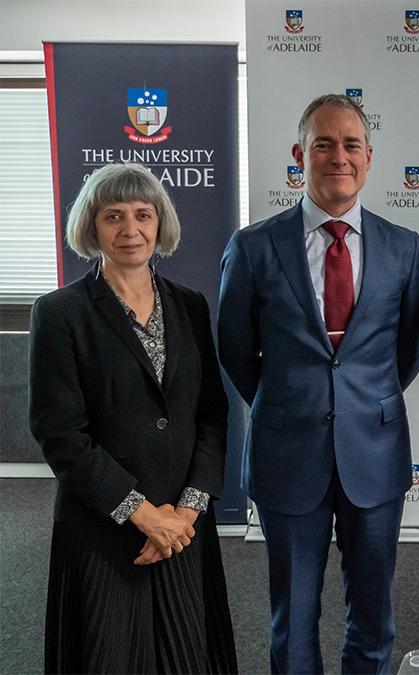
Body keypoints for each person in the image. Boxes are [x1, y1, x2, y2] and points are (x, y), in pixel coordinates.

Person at [217, 94, 419, 674]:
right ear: (299, 155)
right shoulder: (254, 247)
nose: (339, 156)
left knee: (373, 615)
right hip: (288, 453)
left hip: (375, 454)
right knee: (293, 617)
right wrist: (291, 397)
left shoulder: (403, 247)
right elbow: (235, 351)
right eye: (323, 144)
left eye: (351, 144)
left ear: (369, 157)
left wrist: (362, 400)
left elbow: (409, 349)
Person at [29, 163, 238, 673]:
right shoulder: (60, 312)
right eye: (113, 216)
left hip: (182, 528)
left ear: (160, 223)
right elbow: (60, 433)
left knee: (189, 656)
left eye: (143, 215)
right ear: (91, 227)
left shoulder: (190, 305)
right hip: (103, 528)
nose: (130, 230)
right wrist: (142, 513)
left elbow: (212, 412)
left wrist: (185, 512)